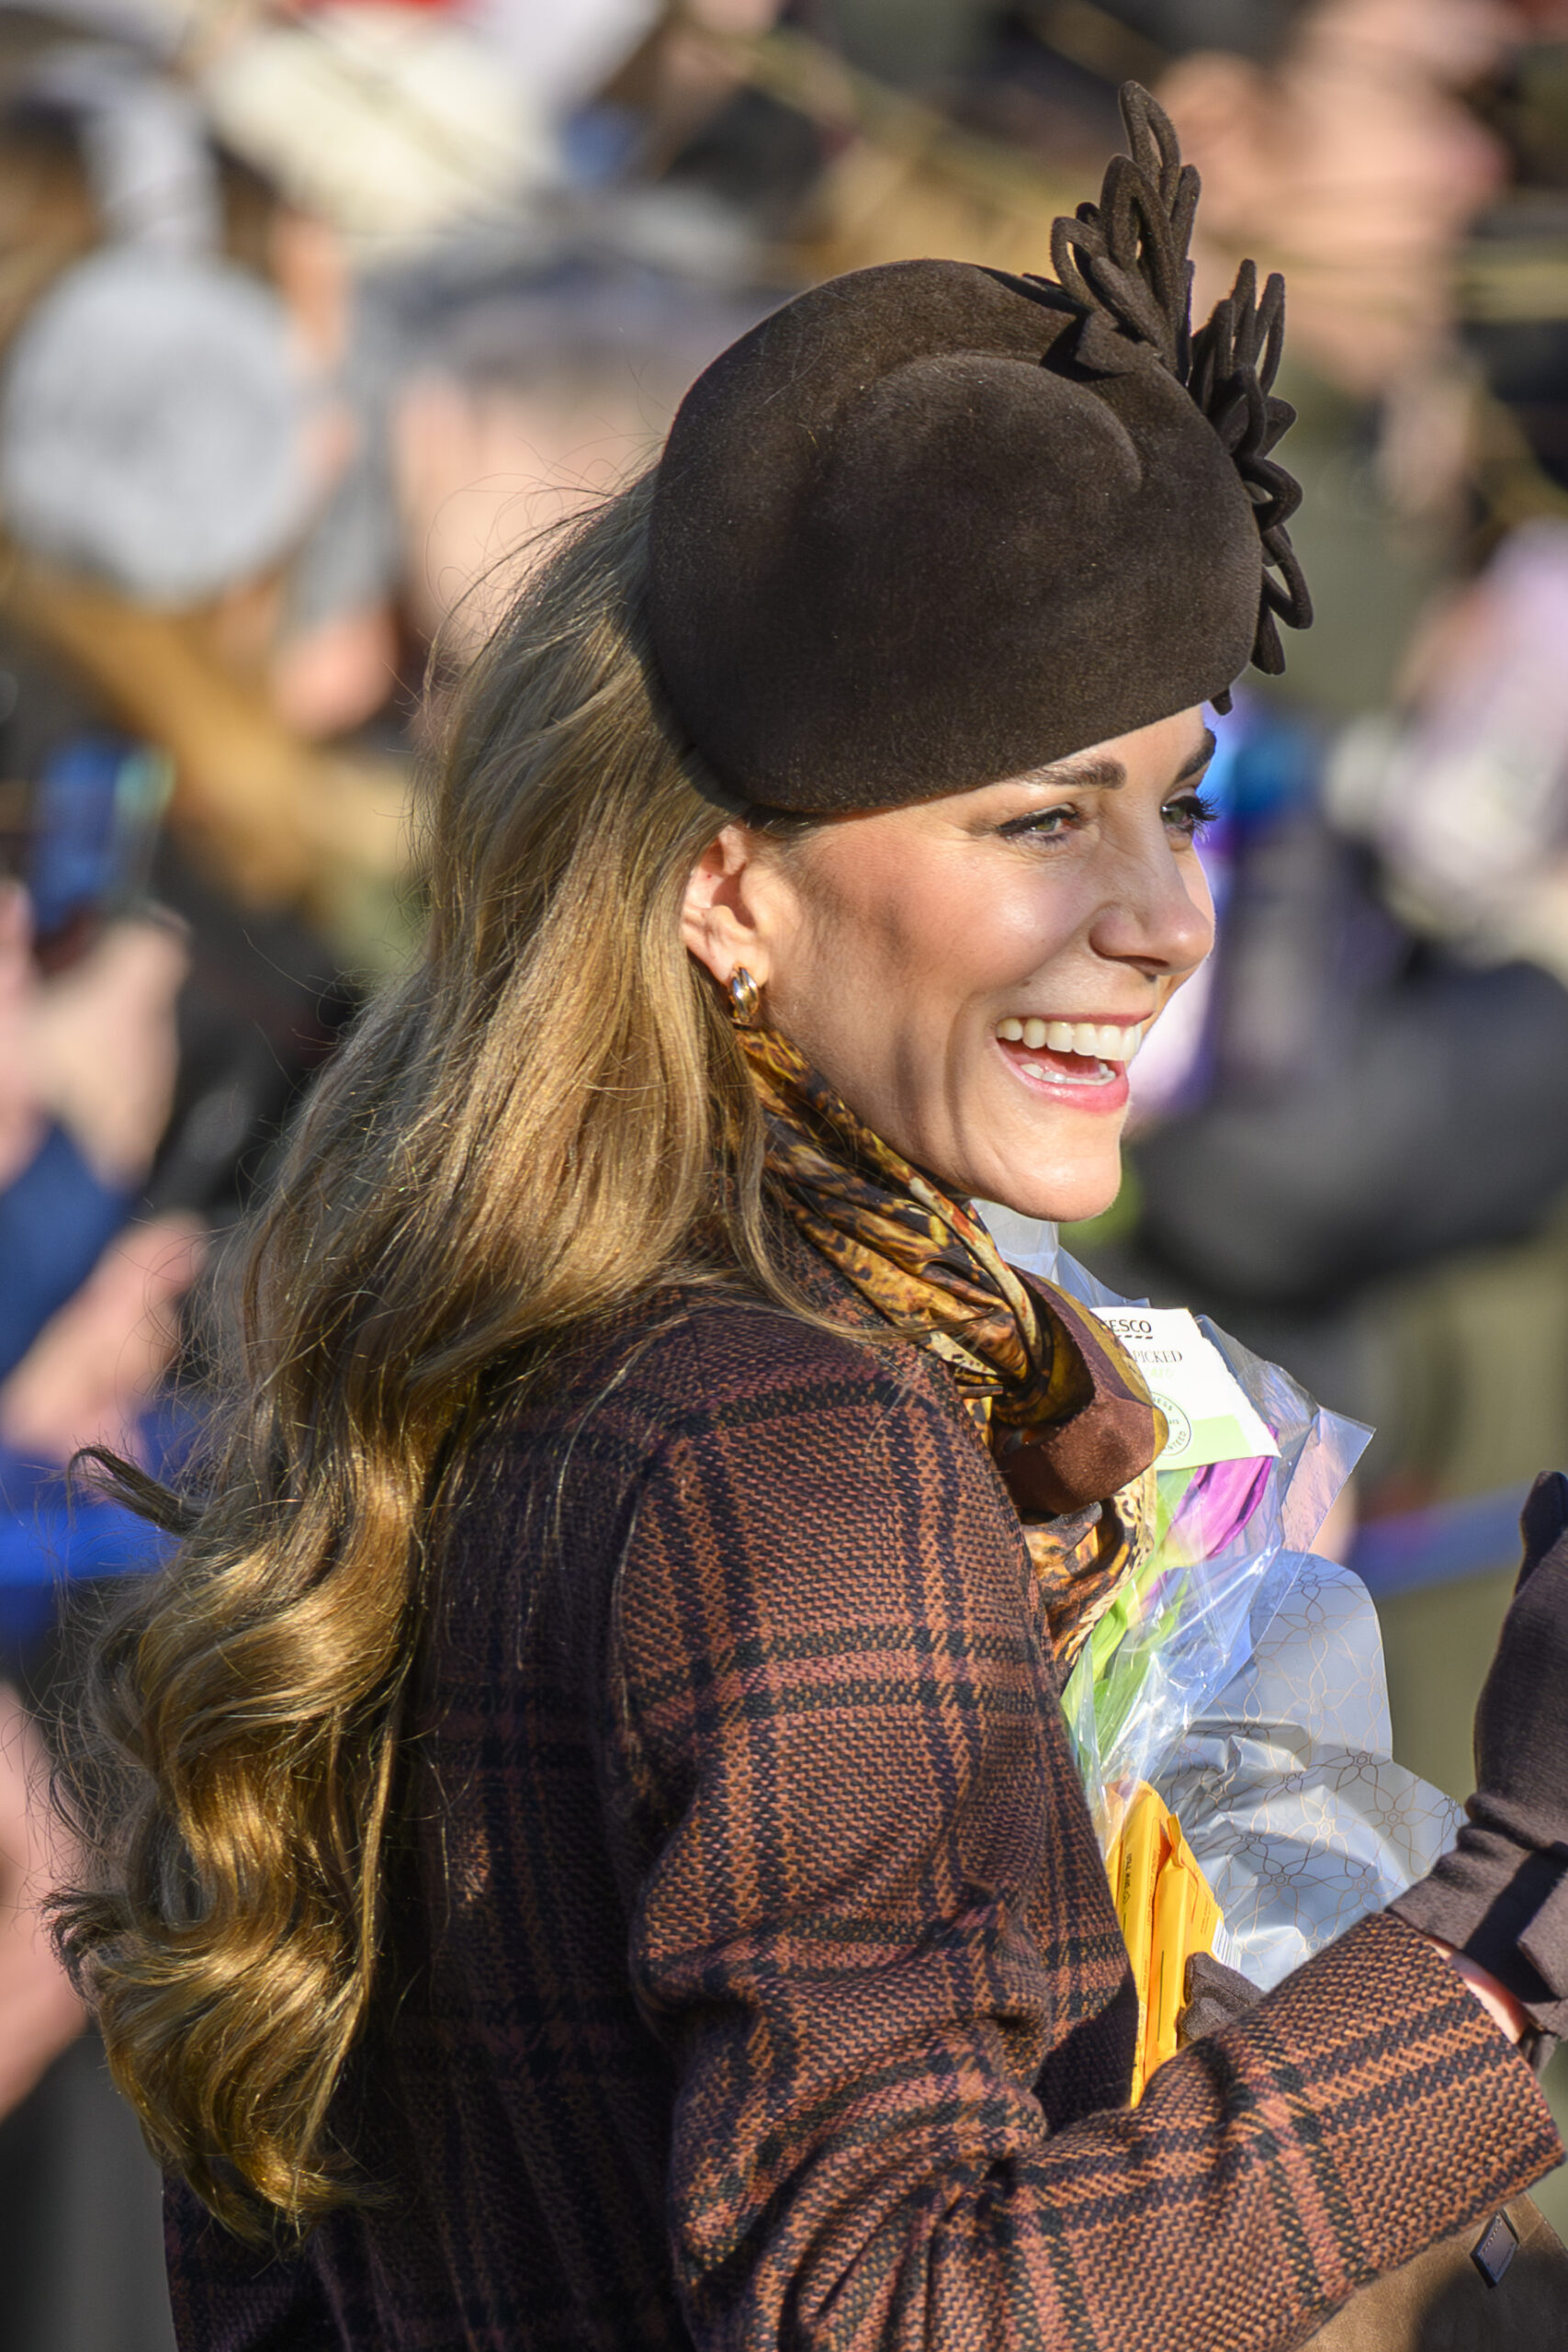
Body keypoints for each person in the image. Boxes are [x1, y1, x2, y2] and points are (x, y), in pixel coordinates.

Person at [56, 89, 1568, 2350]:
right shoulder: (791, 1435)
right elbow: (890, 2305)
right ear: (726, 891)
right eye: (1041, 820)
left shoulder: (505, 1384)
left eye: (1178, 803)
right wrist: (1503, 1927)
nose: (1164, 918)